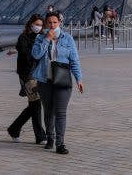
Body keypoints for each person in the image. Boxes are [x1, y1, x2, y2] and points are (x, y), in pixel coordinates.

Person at [31, 12, 83, 155]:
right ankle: (50, 138)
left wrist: (79, 79)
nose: (52, 25)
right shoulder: (40, 38)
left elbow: (74, 60)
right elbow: (36, 55)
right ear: (46, 24)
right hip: (45, 81)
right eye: (49, 23)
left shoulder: (68, 39)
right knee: (48, 112)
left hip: (63, 80)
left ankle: (60, 144)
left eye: (55, 22)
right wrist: (47, 39)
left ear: (59, 22)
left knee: (60, 113)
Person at [7, 14, 46, 145]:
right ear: (31, 24)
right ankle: (40, 136)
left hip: (40, 74)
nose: (38, 27)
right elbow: (26, 55)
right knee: (36, 104)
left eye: (41, 25)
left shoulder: (42, 37)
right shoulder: (24, 37)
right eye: (37, 24)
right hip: (28, 75)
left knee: (33, 105)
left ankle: (14, 128)